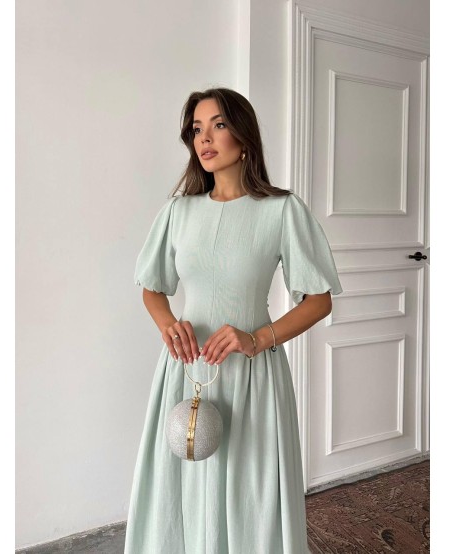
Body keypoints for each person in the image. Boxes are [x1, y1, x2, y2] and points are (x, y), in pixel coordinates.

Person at [124, 87, 343, 554]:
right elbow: (152, 287)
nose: (204, 138)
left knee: (251, 490)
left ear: (244, 137)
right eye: (196, 129)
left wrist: (258, 338)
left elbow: (319, 300)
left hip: (252, 375)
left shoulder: (282, 210)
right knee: (182, 488)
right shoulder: (178, 211)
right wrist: (168, 324)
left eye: (218, 125)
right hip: (187, 371)